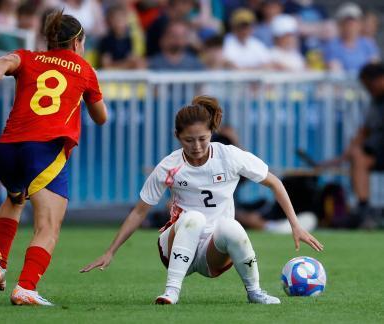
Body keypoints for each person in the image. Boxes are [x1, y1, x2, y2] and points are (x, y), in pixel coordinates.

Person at [81, 95, 323, 305]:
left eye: (202, 139)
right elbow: (138, 212)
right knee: (193, 217)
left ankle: (255, 292)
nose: (196, 146)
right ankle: (171, 292)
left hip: (212, 254)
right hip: (175, 245)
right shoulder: (169, 166)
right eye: (189, 140)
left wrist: (295, 224)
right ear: (177, 136)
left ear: (211, 134)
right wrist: (110, 251)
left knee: (231, 226)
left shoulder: (229, 156)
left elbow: (274, 183)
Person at [0, 10, 107, 306]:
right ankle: (26, 287)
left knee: (15, 199)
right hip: (45, 149)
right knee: (48, 226)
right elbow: (101, 118)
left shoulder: (28, 57)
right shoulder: (84, 69)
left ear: (48, 40)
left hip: (7, 148)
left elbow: (4, 61)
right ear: (78, 42)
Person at [319, 62, 384, 226]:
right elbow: (364, 131)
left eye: (370, 84)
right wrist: (344, 156)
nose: (368, 89)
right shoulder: (376, 102)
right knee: (358, 157)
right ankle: (364, 210)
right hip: (379, 152)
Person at [323, 2, 380, 74]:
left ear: (360, 24)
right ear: (340, 24)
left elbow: (374, 68)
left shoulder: (368, 44)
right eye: (347, 22)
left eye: (354, 22)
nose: (351, 26)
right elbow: (335, 71)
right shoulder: (332, 45)